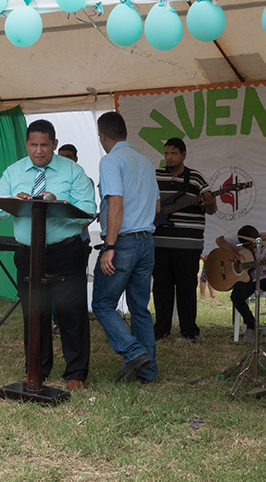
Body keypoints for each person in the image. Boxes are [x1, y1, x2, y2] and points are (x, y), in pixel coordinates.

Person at [0, 119, 96, 392]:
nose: (39, 151)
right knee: (34, 313)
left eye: (45, 145)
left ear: (54, 144)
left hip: (65, 252)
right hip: (27, 253)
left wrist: (58, 203)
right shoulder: (13, 172)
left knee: (71, 312)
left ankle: (76, 373)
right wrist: (15, 199)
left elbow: (89, 209)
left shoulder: (73, 171)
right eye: (33, 145)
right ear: (26, 144)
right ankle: (36, 369)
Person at [91, 111, 160, 384]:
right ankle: (148, 372)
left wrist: (110, 245)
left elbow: (116, 203)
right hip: (146, 240)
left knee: (103, 303)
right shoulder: (145, 162)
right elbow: (156, 206)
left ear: (102, 136)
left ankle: (133, 351)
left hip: (123, 242)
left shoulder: (110, 160)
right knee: (140, 307)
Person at [152, 137, 217, 343]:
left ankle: (189, 331)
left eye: (173, 153)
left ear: (183, 155)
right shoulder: (155, 175)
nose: (169, 157)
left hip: (188, 245)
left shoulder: (196, 178)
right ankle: (161, 329)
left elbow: (211, 209)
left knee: (187, 287)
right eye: (166, 153)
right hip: (160, 242)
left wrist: (210, 203)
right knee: (161, 286)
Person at [215, 225, 266, 342]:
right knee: (237, 295)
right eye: (249, 248)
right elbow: (219, 240)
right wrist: (230, 250)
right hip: (250, 280)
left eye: (255, 247)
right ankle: (251, 325)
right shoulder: (238, 240)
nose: (254, 250)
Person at [51, 144, 94, 337]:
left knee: (73, 287)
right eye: (61, 156)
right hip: (55, 243)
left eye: (69, 156)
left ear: (76, 159)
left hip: (77, 241)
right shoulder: (52, 179)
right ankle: (57, 323)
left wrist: (73, 232)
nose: (65, 159)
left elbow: (88, 213)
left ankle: (72, 325)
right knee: (51, 286)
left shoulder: (84, 180)